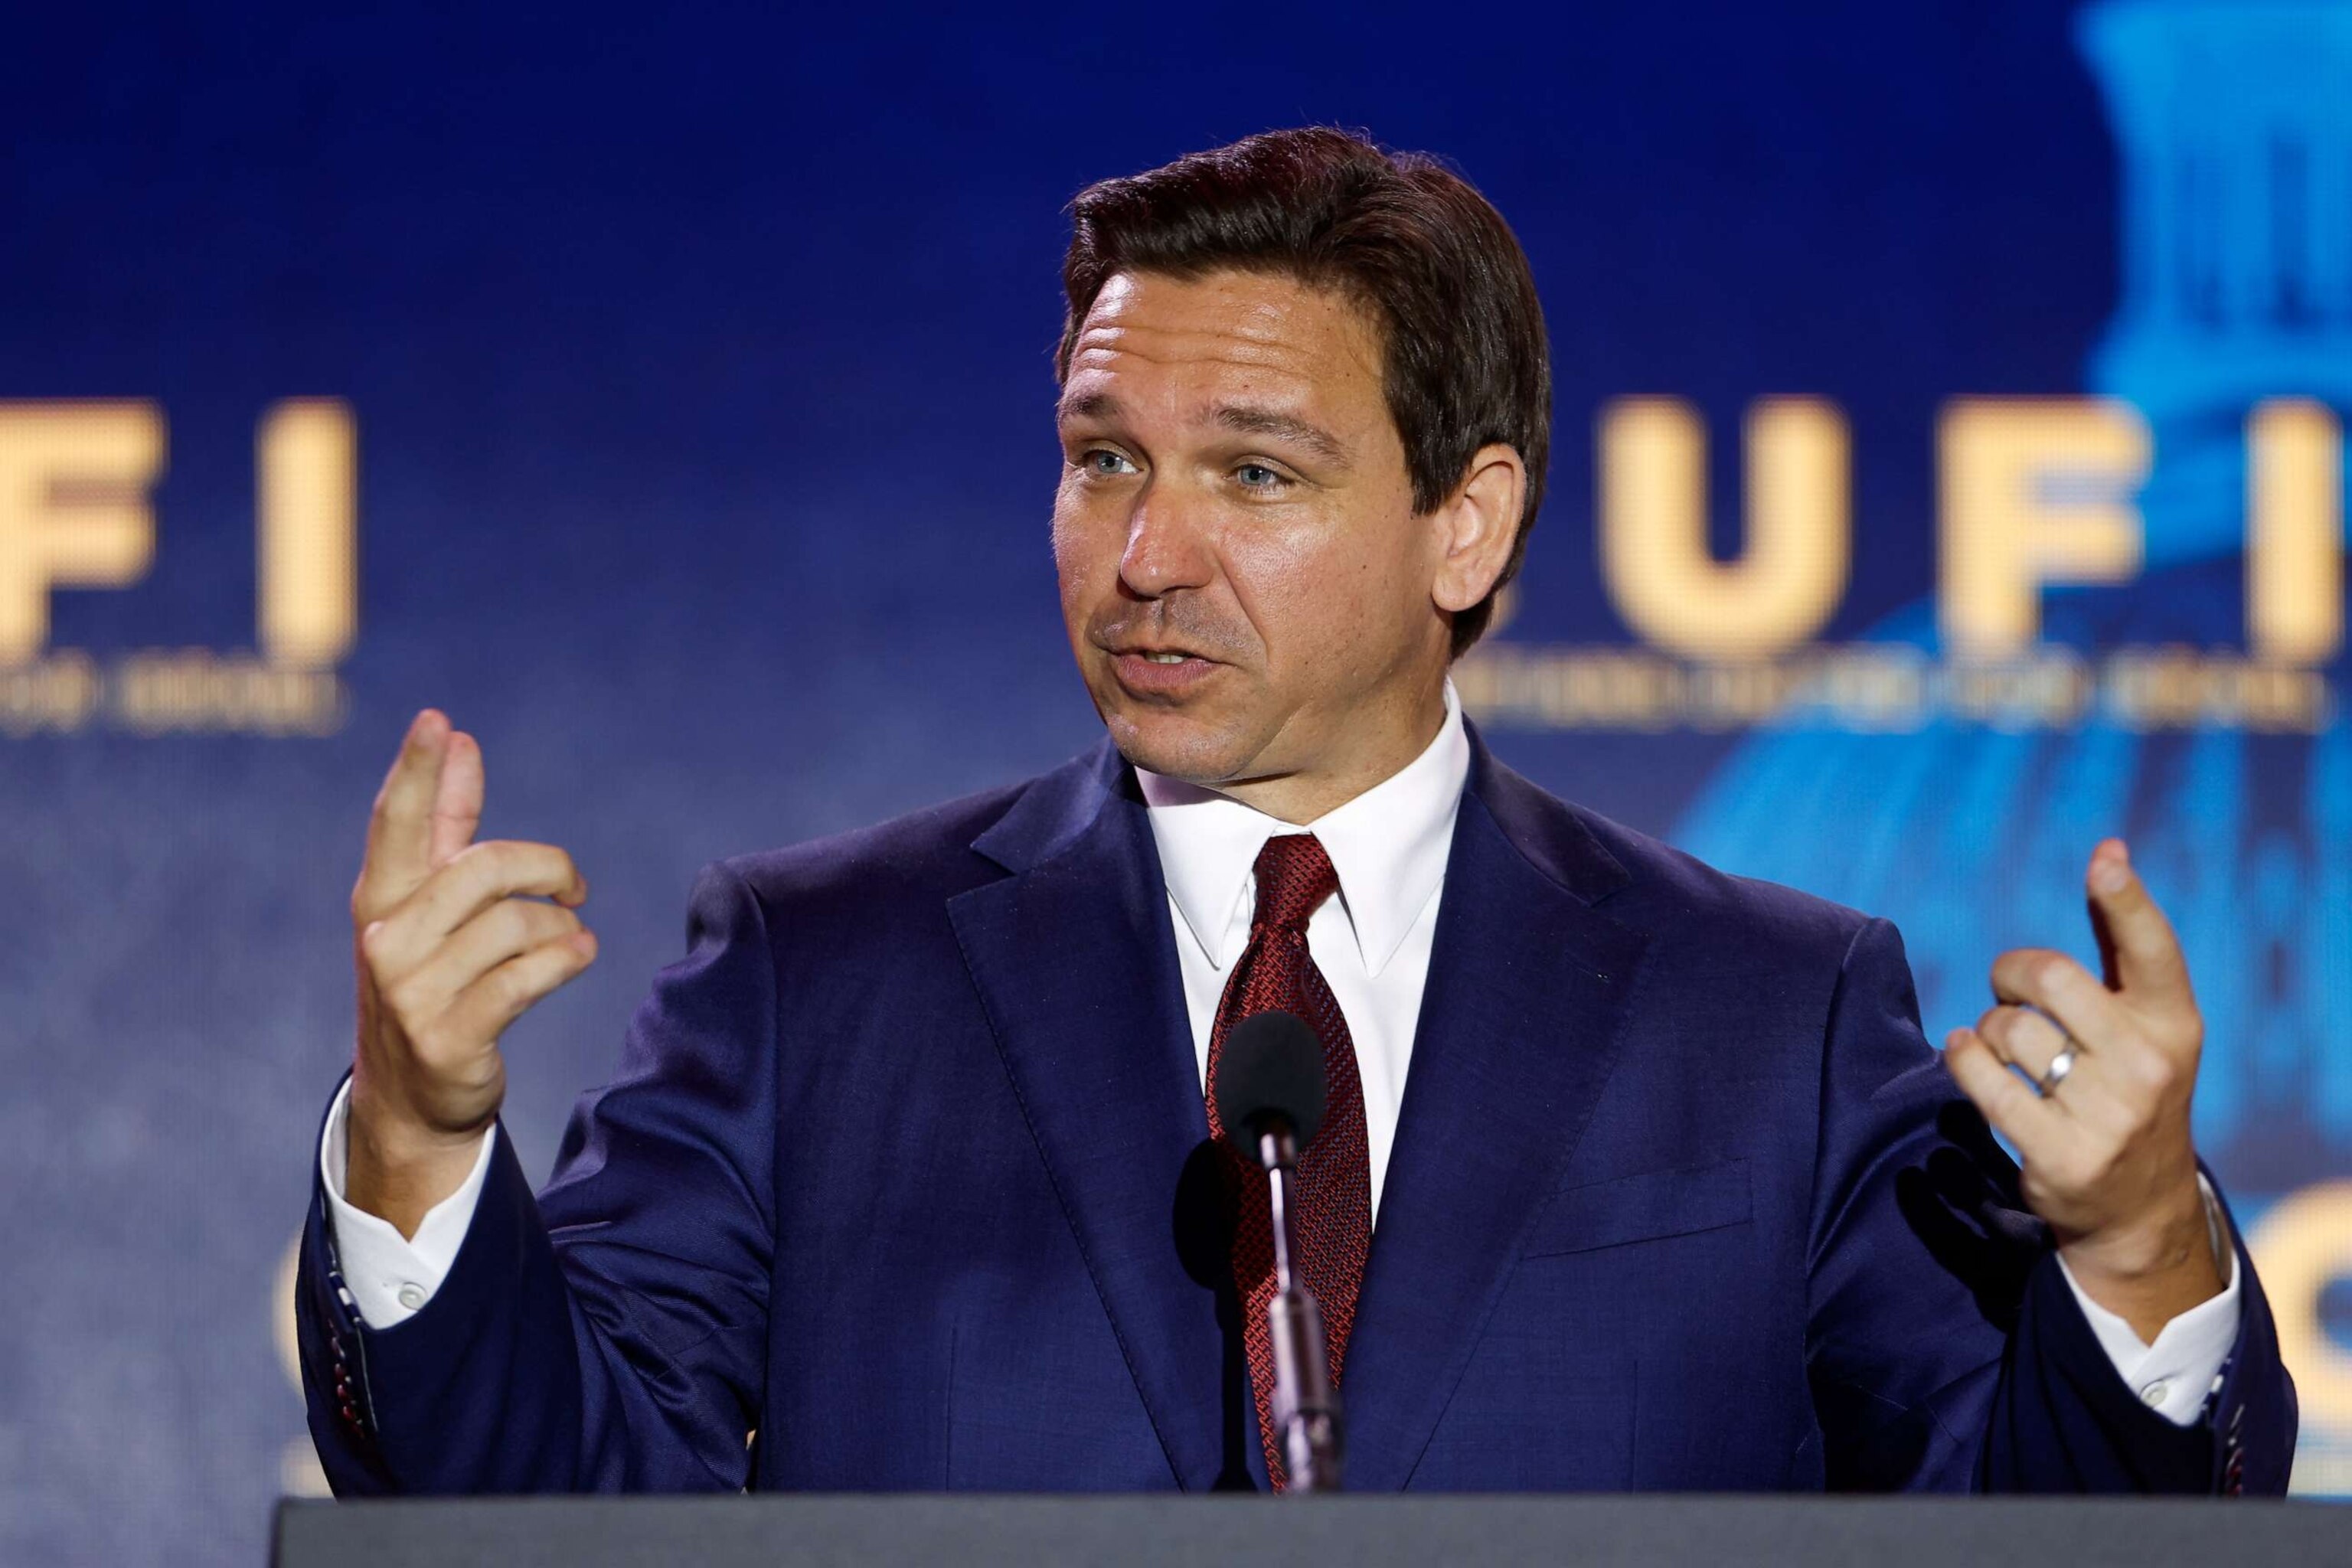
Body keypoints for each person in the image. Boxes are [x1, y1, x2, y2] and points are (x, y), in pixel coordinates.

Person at [297, 127, 2293, 1494]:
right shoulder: (812, 979)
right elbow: (544, 1500)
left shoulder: (1772, 1016)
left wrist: (2131, 1251)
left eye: (1252, 477)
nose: (1142, 552)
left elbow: (2030, 1530)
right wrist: (414, 1136)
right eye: (1099, 458)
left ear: (1468, 521)